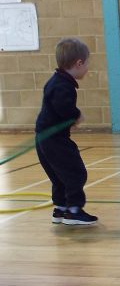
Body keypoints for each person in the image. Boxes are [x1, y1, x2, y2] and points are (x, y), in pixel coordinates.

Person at [35, 37, 97, 225]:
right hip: (54, 139)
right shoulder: (63, 85)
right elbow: (63, 106)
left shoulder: (56, 81)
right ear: (78, 63)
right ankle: (74, 210)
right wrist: (75, 115)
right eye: (87, 64)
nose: (87, 68)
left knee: (59, 175)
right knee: (76, 173)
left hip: (44, 137)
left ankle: (61, 207)